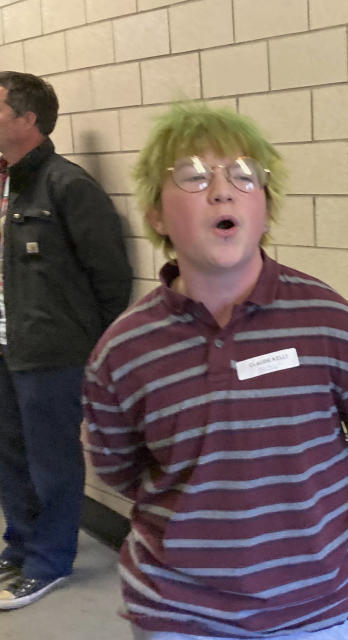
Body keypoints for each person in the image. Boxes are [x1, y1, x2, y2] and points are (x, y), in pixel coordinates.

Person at [82, 103, 348, 639]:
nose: (221, 190)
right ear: (157, 215)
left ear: (265, 205)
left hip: (320, 611)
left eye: (243, 175)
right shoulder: (123, 350)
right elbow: (119, 469)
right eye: (191, 176)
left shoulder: (329, 321)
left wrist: (313, 497)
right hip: (182, 616)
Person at [0, 71, 132, 609]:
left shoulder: (67, 186)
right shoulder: (8, 183)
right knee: (8, 454)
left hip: (50, 353)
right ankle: (20, 544)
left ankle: (50, 559)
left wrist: (81, 341)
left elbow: (112, 279)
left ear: (27, 120)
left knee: (51, 459)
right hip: (3, 346)